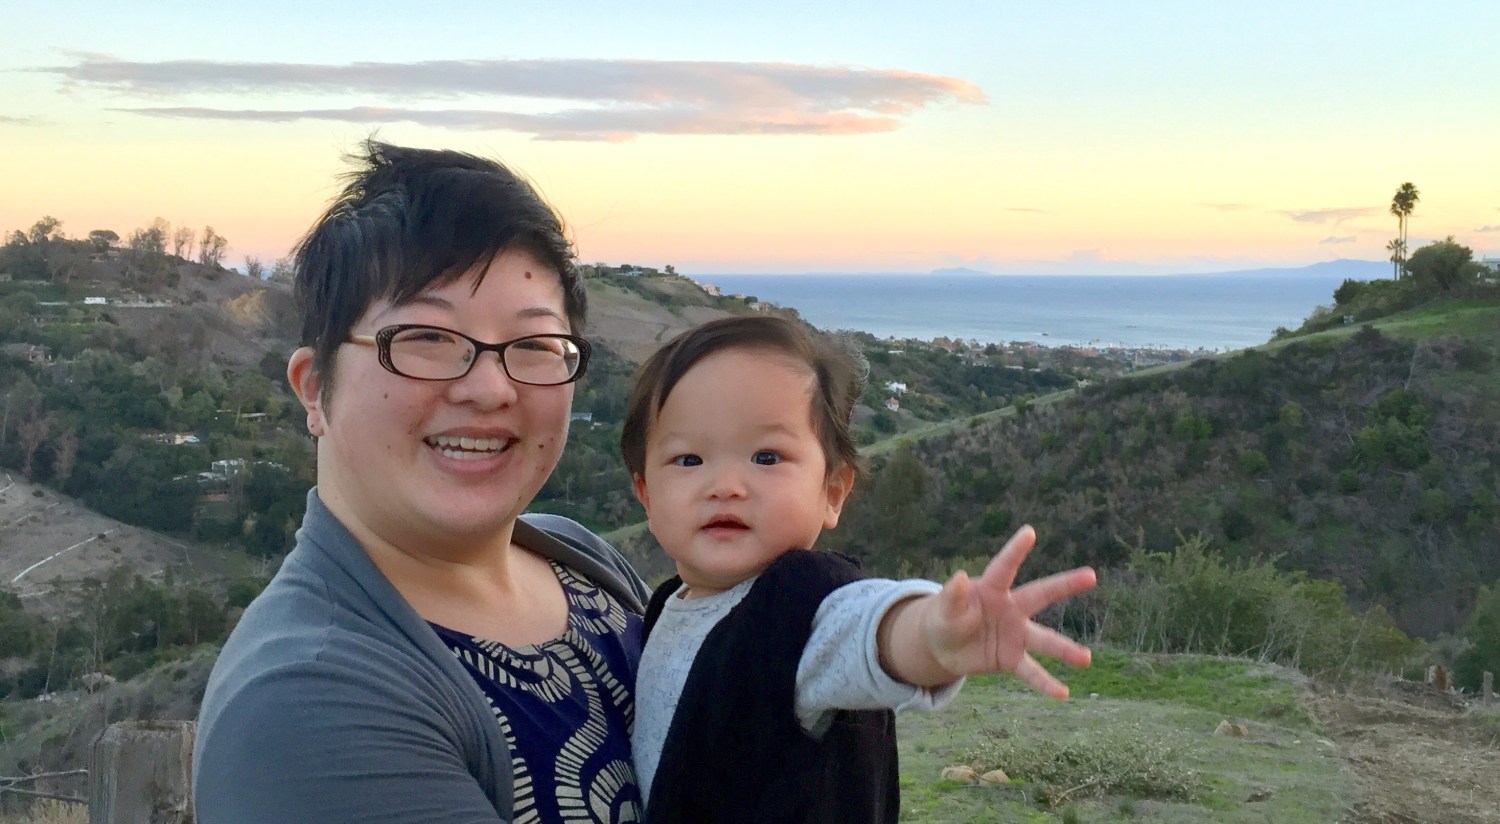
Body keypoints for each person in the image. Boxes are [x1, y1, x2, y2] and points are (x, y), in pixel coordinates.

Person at [193, 141, 653, 823]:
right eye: (427, 339)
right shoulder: (309, 703)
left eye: (531, 346)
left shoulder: (579, 561)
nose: (490, 388)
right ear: (315, 388)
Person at [619, 315, 1097, 823]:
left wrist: (932, 633)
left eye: (766, 456)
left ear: (832, 492)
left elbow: (868, 628)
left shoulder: (798, 607)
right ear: (646, 495)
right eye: (689, 460)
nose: (726, 484)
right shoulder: (666, 604)